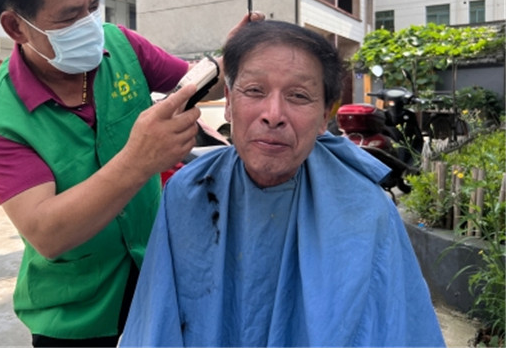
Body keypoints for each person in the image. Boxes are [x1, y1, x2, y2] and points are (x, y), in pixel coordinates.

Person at [0, 0, 257, 347]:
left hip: (155, 272)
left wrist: (233, 55)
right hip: (75, 307)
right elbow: (47, 233)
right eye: (69, 16)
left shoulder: (121, 45)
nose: (90, 24)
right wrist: (139, 160)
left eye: (92, 6)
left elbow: (191, 84)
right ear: (16, 27)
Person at [120, 20, 446, 347]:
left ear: (324, 116)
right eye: (255, 90)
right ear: (229, 103)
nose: (273, 114)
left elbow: (397, 329)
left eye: (298, 95)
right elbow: (157, 326)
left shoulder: (364, 210)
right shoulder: (188, 194)